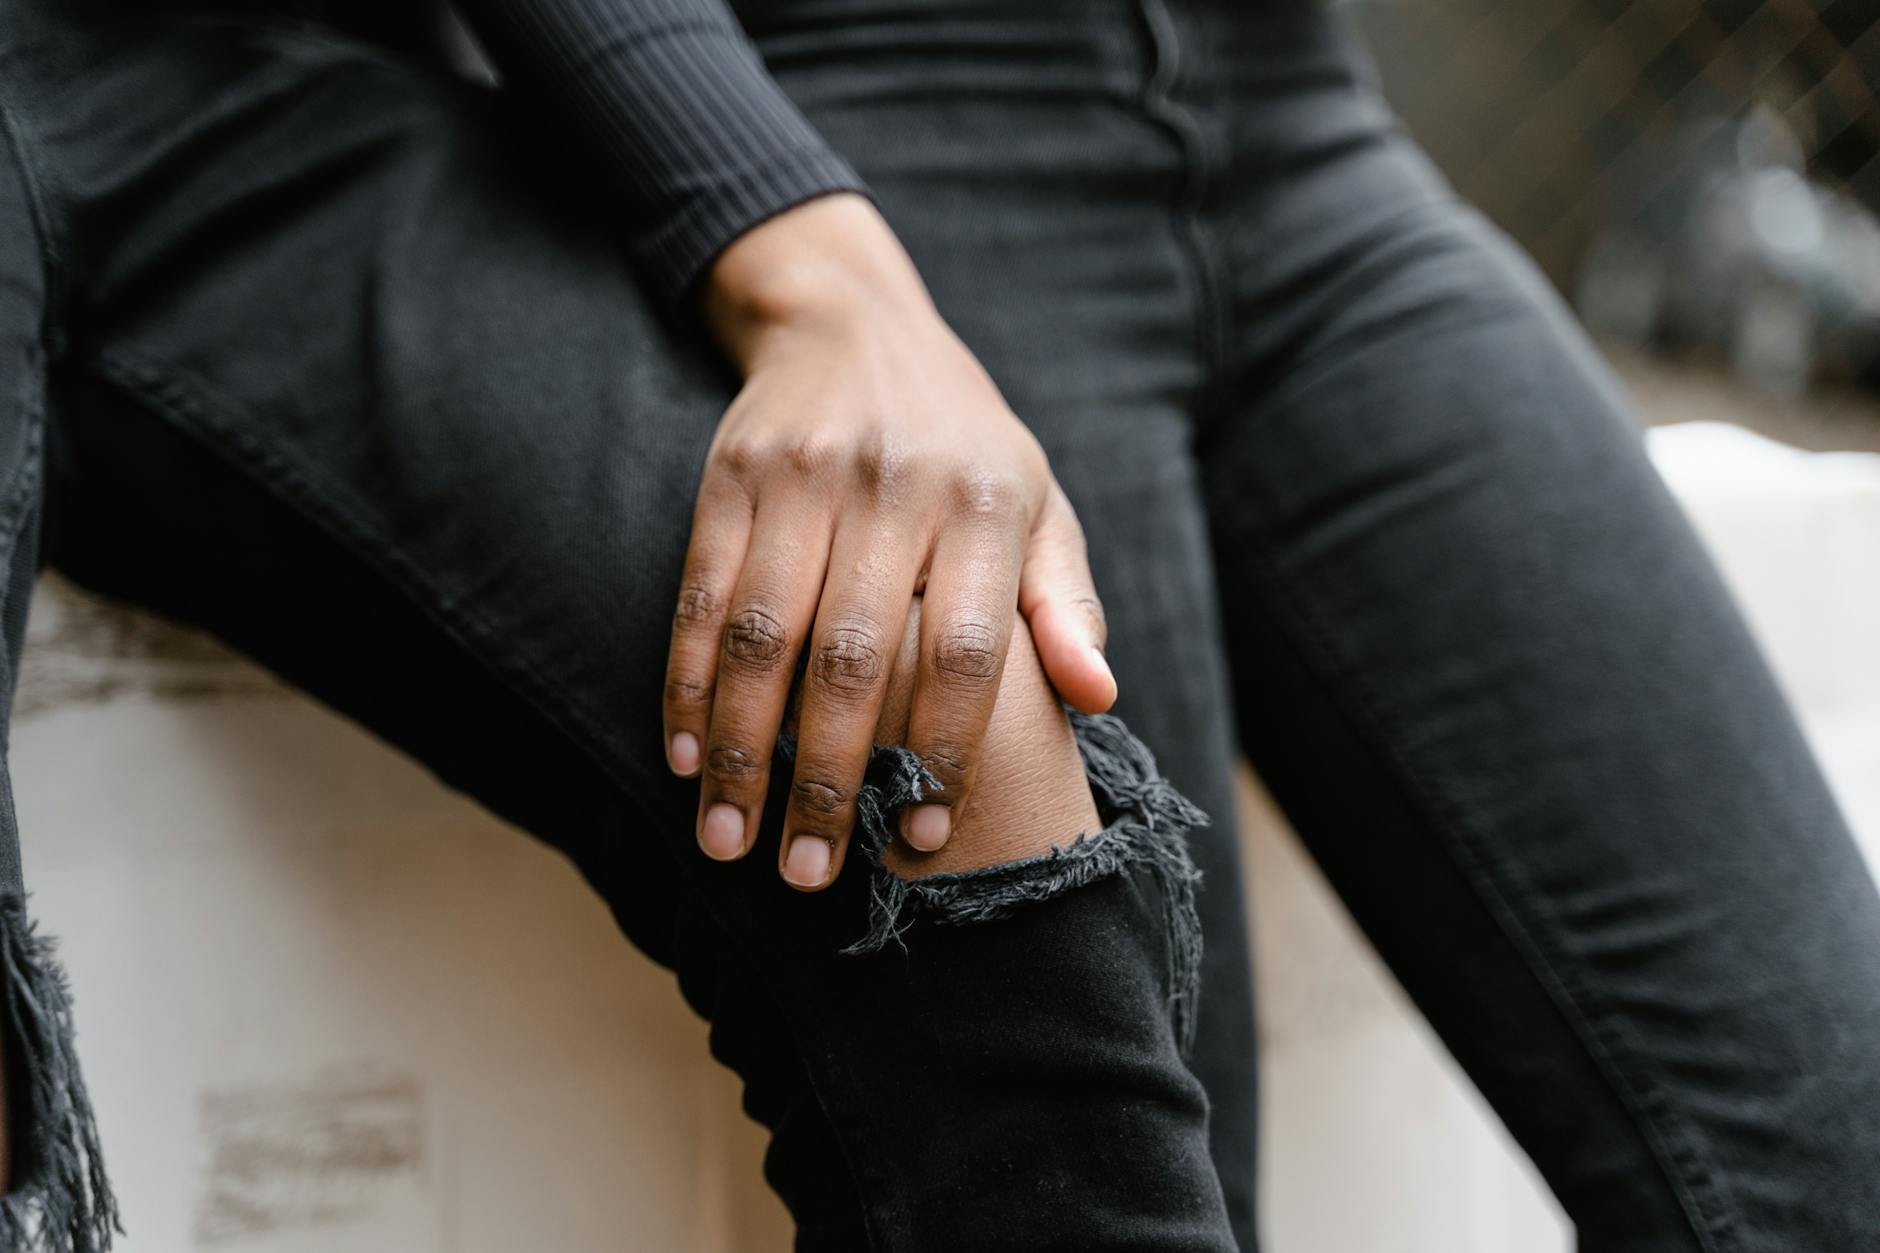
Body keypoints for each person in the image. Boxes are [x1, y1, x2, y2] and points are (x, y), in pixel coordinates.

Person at [0, 0, 1875, 1250]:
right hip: (873, 111)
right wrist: (786, 230)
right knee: (1130, 1127)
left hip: (1311, 145)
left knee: (1826, 1148)